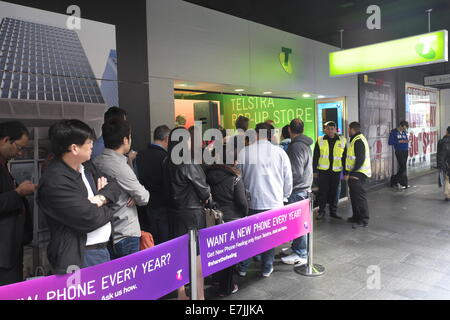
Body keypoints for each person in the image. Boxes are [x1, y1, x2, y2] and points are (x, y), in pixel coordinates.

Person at [37, 120, 122, 274]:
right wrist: (109, 204)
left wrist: (101, 199)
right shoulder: (55, 181)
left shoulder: (87, 167)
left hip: (101, 251)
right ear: (74, 148)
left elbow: (115, 186)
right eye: (89, 142)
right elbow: (89, 218)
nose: (92, 146)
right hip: (80, 257)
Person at [237, 123, 293, 278]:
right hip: (274, 201)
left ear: (256, 134)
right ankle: (266, 268)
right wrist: (285, 196)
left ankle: (242, 267)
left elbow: (238, 177)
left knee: (249, 237)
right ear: (270, 135)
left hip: (252, 200)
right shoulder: (280, 152)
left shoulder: (245, 152)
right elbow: (288, 178)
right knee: (270, 238)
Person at [163, 127, 211, 300]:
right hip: (192, 215)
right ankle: (199, 295)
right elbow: (204, 191)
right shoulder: (188, 162)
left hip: (174, 213)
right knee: (197, 255)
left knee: (179, 254)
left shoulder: (166, 161)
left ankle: (181, 294)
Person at [94, 118, 149, 259]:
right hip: (125, 233)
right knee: (131, 278)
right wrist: (136, 197)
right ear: (125, 140)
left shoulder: (97, 161)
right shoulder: (120, 167)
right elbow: (143, 197)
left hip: (108, 233)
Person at [206, 146, 248, 296]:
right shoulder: (234, 177)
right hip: (232, 218)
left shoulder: (207, 174)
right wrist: (245, 214)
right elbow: (242, 202)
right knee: (229, 255)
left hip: (213, 219)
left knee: (216, 252)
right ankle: (226, 288)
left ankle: (215, 279)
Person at [0, 122, 37, 286]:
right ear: (6, 140)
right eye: (19, 147)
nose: (19, 153)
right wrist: (19, 193)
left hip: (11, 248)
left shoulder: (3, 164)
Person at [280, 119, 313, 266]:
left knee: (298, 222)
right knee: (298, 222)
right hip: (304, 188)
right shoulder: (305, 145)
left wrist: (286, 187)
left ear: (289, 129)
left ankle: (300, 253)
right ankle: (297, 248)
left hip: (297, 190)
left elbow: (295, 172)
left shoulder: (296, 147)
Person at [136, 125, 171, 245]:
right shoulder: (165, 158)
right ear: (166, 139)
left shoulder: (140, 155)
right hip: (162, 205)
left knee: (149, 243)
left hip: (144, 207)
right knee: (164, 243)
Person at [314, 121, 347, 220]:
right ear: (325, 130)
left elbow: (345, 158)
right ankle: (321, 211)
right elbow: (315, 156)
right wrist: (314, 171)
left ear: (335, 129)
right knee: (323, 192)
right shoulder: (320, 140)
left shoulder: (342, 140)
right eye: (328, 129)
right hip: (323, 171)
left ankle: (333, 211)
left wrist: (346, 172)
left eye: (332, 129)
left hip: (336, 171)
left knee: (334, 191)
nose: (330, 131)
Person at [345, 122, 372, 229]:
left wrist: (352, 173)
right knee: (354, 197)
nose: (348, 131)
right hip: (355, 173)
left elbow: (360, 159)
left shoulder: (359, 140)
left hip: (359, 174)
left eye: (348, 129)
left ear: (352, 129)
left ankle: (363, 219)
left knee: (360, 197)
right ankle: (356, 216)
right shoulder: (355, 139)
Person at [389, 121, 410, 189]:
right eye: (404, 128)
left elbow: (406, 139)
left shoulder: (404, 132)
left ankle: (403, 182)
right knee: (403, 167)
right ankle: (394, 180)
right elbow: (390, 142)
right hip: (399, 151)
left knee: (403, 168)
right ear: (400, 126)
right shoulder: (394, 132)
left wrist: (407, 141)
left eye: (405, 129)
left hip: (405, 151)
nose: (404, 130)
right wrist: (399, 141)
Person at [437, 126, 450, 201]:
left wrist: (440, 165)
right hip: (447, 163)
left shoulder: (441, 141)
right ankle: (447, 194)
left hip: (445, 163)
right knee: (448, 179)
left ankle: (447, 194)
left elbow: (439, 154)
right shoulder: (443, 142)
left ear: (446, 132)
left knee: (447, 178)